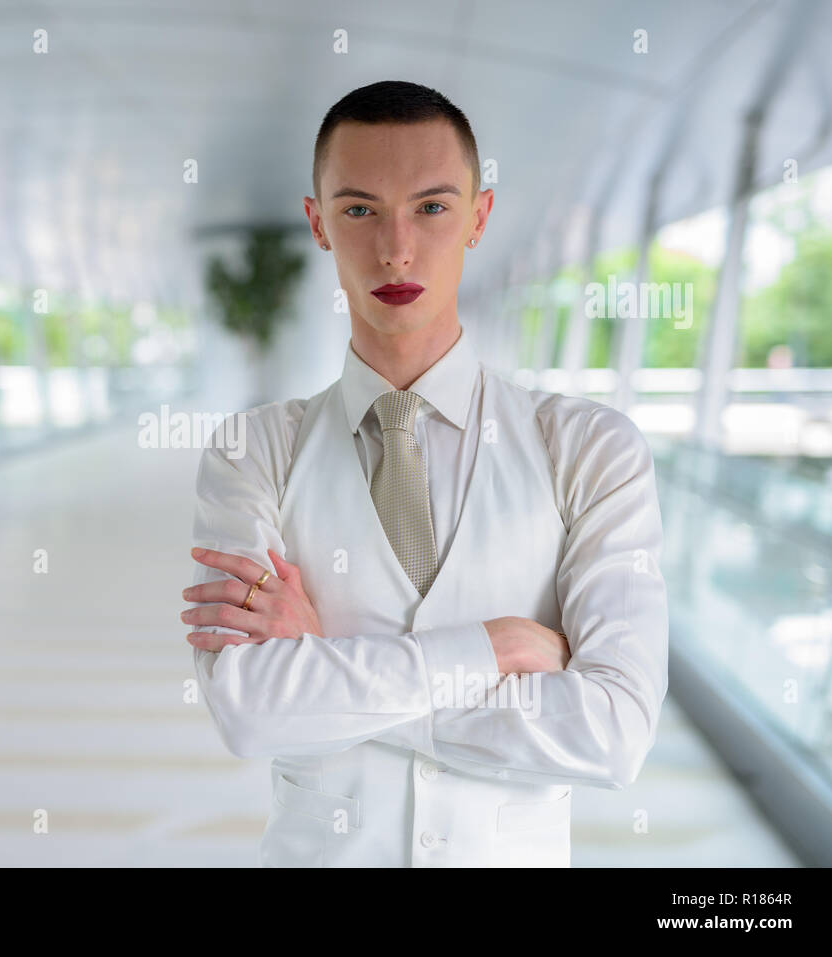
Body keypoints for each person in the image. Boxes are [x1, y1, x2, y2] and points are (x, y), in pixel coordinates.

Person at [182, 80, 668, 867]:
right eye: (360, 209)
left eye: (433, 208)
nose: (396, 248)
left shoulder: (590, 449)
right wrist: (495, 647)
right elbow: (249, 711)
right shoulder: (253, 451)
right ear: (318, 223)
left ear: (479, 218)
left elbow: (612, 734)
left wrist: (328, 660)